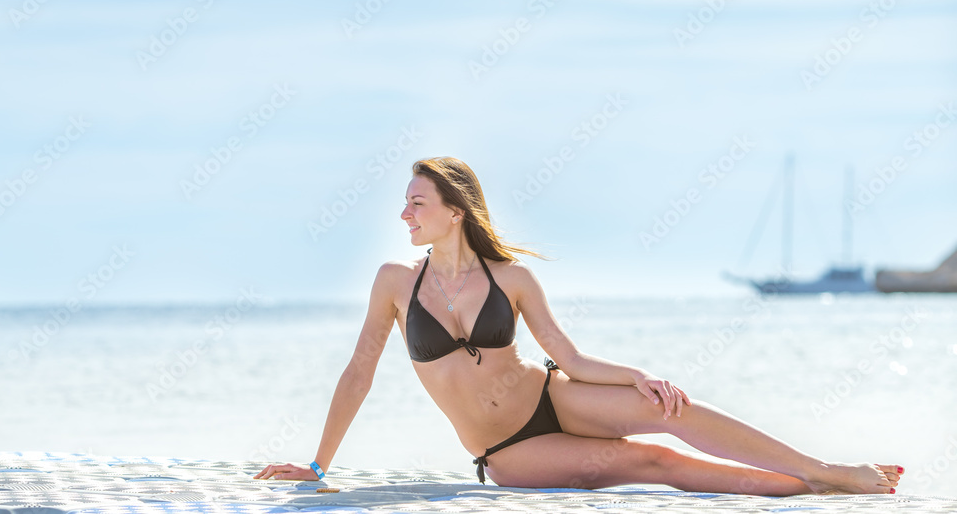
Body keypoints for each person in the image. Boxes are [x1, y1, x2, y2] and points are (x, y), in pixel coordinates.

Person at [254, 156, 903, 495]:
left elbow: (568, 353)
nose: (403, 213)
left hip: (555, 393)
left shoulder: (511, 279)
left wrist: (640, 378)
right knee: (655, 459)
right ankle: (803, 485)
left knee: (673, 409)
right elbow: (360, 369)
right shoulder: (396, 283)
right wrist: (316, 463)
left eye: (416, 202)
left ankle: (827, 472)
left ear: (455, 211)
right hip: (509, 450)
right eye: (405, 202)